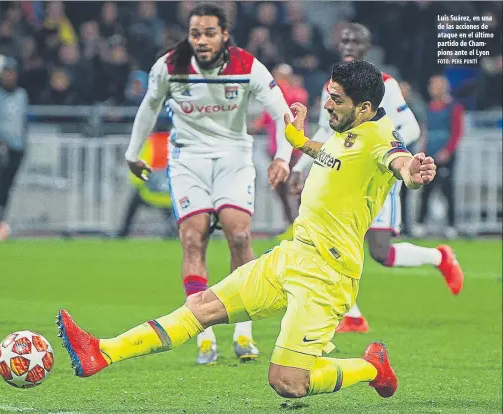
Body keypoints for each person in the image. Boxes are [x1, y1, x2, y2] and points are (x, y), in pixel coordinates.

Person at [57, 60, 439, 401]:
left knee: (288, 383)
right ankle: (101, 352)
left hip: (327, 276)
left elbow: (398, 162)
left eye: (336, 100)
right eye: (329, 95)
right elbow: (336, 155)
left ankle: (372, 366)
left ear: (365, 108)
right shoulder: (351, 131)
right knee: (200, 306)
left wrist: (414, 173)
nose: (327, 105)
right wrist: (301, 142)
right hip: (293, 255)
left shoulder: (381, 138)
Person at [121, 3, 293, 364]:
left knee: (240, 235)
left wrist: (282, 158)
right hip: (188, 160)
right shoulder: (169, 66)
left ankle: (243, 334)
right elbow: (148, 107)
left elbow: (281, 112)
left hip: (233, 157)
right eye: (196, 33)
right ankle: (203, 333)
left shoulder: (247, 66)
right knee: (192, 237)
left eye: (209, 33)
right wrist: (133, 152)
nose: (201, 40)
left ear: (224, 35)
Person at [289, 23, 463, 333]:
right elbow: (323, 131)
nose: (349, 44)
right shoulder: (330, 85)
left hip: (378, 178)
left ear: (367, 48)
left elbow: (409, 128)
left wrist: (386, 153)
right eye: (344, 39)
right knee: (337, 242)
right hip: (343, 178)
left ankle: (439, 257)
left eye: (356, 40)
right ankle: (351, 315)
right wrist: (300, 168)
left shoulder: (384, 84)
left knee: (381, 252)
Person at [248, 63, 308, 241]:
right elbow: (263, 120)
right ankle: (292, 224)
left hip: (294, 151)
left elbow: (296, 101)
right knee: (280, 190)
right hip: (274, 152)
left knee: (293, 189)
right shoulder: (276, 99)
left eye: (279, 76)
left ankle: (302, 224)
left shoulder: (294, 94)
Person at [0, 58, 29, 241]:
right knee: (0, 181)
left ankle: (0, 217)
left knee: (8, 182)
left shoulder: (22, 94)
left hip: (17, 145)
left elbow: (23, 120)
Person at [412, 74, 463, 239]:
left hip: (445, 154)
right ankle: (420, 224)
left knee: (447, 189)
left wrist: (447, 151)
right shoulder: (429, 107)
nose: (432, 89)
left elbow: (456, 131)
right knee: (426, 189)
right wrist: (423, 149)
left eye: (436, 86)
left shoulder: (454, 107)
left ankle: (451, 225)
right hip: (430, 153)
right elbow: (425, 130)